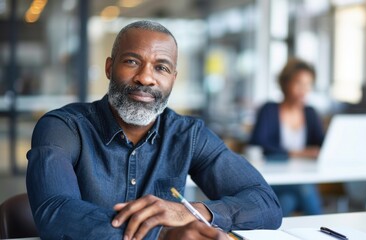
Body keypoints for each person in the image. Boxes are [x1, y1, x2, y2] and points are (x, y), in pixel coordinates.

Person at [26, 20, 282, 240]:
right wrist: (161, 233)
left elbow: (266, 204)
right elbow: (55, 212)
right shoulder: (64, 127)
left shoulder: (188, 134)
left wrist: (189, 212)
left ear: (173, 78)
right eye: (132, 61)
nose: (146, 78)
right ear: (109, 67)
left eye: (161, 67)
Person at [249, 58, 324, 216]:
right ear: (285, 83)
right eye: (298, 83)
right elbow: (259, 143)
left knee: (288, 200)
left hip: (302, 175)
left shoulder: (310, 113)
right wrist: (298, 153)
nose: (303, 89)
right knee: (303, 188)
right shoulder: (269, 110)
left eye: (308, 84)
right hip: (274, 178)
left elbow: (322, 144)